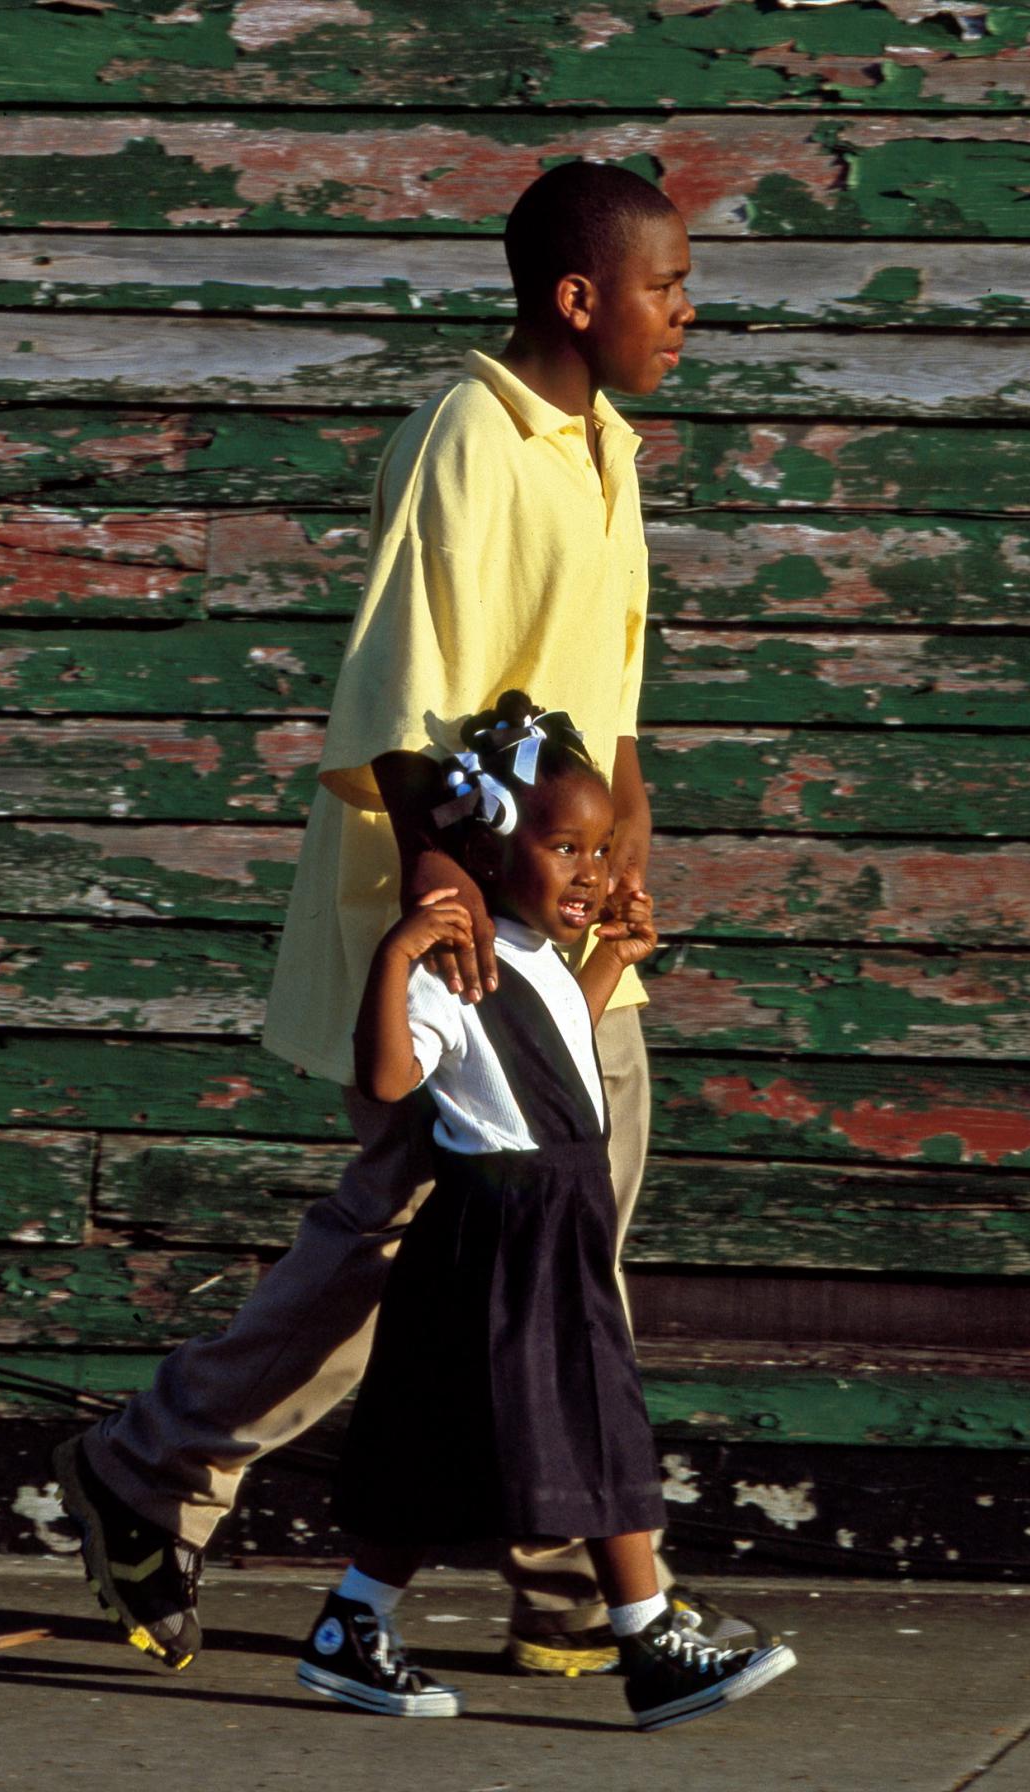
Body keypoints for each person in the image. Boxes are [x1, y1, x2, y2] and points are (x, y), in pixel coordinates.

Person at [51, 160, 757, 1677]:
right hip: (470, 933)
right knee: (414, 1249)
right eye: (668, 285)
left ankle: (568, 1582)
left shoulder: (604, 446)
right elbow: (405, 702)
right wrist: (455, 918)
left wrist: (632, 824)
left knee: (568, 1240)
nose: (690, 313)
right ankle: (155, 1469)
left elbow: (602, 699)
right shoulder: (468, 440)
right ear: (580, 297)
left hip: (567, 926)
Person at [295, 696, 796, 1730]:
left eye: (603, 849)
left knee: (446, 1446)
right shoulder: (453, 965)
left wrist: (618, 960)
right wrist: (394, 956)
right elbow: (392, 1081)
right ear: (486, 843)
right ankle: (647, 1637)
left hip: (554, 1221)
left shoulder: (533, 958)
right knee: (593, 1421)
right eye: (565, 846)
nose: (593, 872)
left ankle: (353, 1622)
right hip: (502, 1232)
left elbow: (560, 1035)